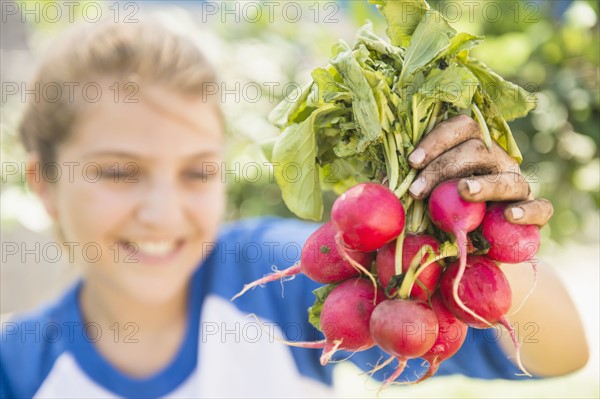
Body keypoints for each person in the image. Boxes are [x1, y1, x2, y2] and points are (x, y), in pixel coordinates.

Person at [0, 19, 588, 398]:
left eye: (197, 172)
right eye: (118, 172)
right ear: (45, 183)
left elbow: (558, 351)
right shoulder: (17, 368)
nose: (162, 212)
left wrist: (484, 224)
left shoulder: (258, 272)